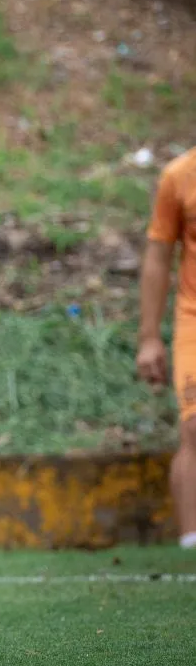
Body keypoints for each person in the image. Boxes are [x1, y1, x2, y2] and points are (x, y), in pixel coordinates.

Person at [137, 147, 196, 552]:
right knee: (194, 427)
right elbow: (158, 258)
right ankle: (191, 542)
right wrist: (149, 337)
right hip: (194, 318)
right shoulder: (180, 175)